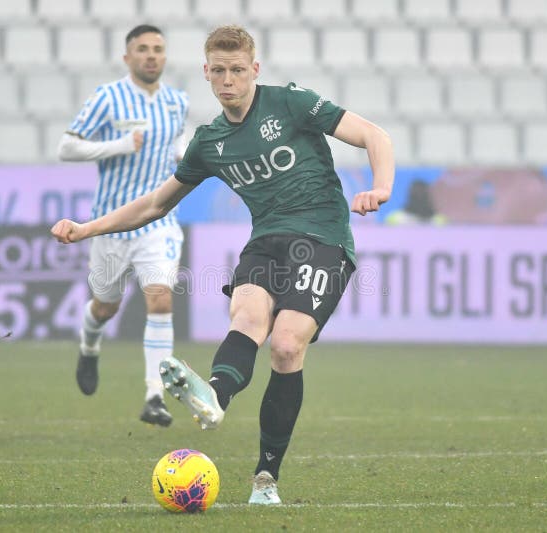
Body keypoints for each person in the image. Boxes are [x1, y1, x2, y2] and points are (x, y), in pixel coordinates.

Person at [51, 25, 394, 504]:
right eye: (219, 71)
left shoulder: (292, 103)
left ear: (254, 70)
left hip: (324, 239)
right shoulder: (209, 142)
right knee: (248, 318)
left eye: (237, 70)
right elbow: (154, 205)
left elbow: (372, 134)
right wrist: (87, 228)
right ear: (206, 74)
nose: (228, 79)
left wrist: (380, 186)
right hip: (267, 241)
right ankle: (212, 396)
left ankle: (265, 477)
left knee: (287, 345)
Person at [56, 24, 189, 427]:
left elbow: (176, 147)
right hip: (110, 226)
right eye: (143, 49)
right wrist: (118, 145)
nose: (152, 56)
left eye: (158, 49)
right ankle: (89, 346)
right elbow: (67, 146)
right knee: (105, 305)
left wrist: (186, 156)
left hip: (158, 222)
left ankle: (155, 394)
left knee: (160, 298)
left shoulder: (176, 102)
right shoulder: (108, 97)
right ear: (127, 57)